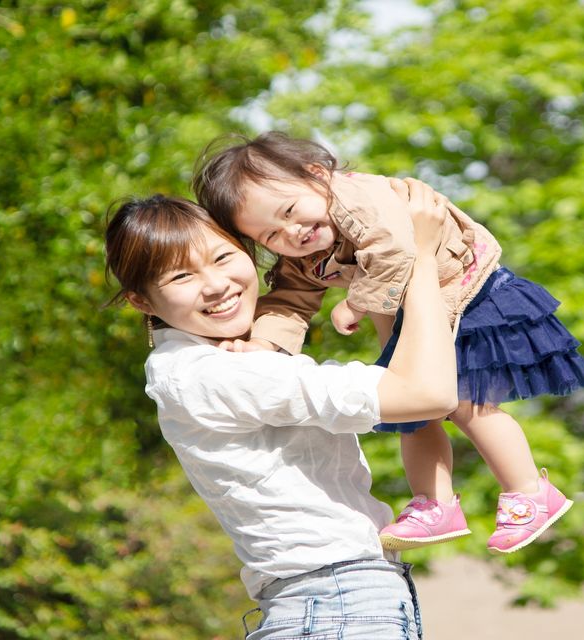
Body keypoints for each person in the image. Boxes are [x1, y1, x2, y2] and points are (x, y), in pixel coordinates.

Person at [192, 131, 584, 554]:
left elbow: (395, 247)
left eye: (290, 211)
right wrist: (264, 345)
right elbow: (290, 300)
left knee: (467, 404)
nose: (292, 232)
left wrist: (356, 303)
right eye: (271, 236)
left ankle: (529, 492)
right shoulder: (307, 250)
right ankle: (434, 503)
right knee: (413, 412)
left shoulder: (357, 197)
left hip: (471, 294)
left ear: (317, 175)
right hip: (423, 317)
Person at [104, 179, 454, 639]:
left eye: (223, 257)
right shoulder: (216, 373)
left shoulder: (222, 362)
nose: (216, 286)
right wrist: (420, 255)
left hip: (334, 603)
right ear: (142, 300)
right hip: (337, 606)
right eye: (181, 277)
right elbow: (429, 394)